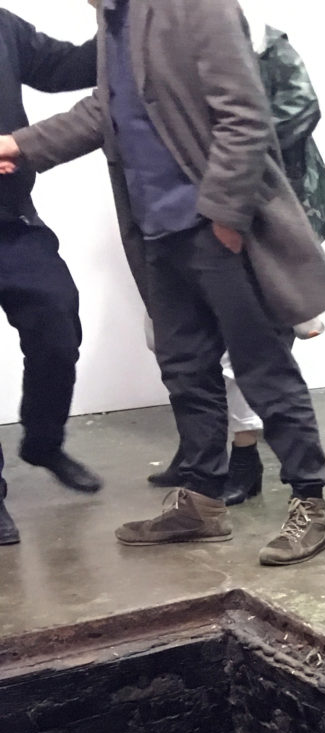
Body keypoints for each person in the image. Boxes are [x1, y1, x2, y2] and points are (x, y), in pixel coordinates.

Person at [0, 0, 325, 566]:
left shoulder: (195, 6)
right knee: (186, 369)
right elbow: (107, 109)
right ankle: (202, 504)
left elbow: (246, 114)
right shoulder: (115, 19)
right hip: (156, 229)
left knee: (262, 366)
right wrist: (21, 145)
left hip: (213, 227)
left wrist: (227, 217)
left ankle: (310, 503)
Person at [148, 6, 325, 506]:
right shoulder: (164, 38)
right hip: (193, 211)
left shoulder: (260, 39)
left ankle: (247, 459)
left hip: (259, 207)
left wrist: (225, 161)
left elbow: (299, 109)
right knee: (182, 344)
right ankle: (204, 452)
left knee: (252, 349)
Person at [0, 6, 101, 548]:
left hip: (12, 223)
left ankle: (43, 442)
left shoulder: (3, 25)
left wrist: (123, 19)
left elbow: (67, 66)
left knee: (57, 325)